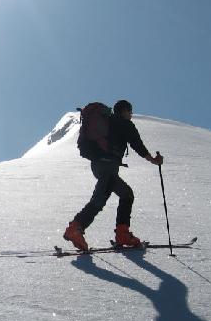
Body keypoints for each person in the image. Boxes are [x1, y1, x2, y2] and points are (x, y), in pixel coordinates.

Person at [63, 100, 163, 250]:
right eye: (130, 112)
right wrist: (154, 160)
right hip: (108, 166)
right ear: (124, 111)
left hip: (98, 165)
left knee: (126, 194)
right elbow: (138, 145)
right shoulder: (125, 124)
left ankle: (122, 233)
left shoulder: (108, 121)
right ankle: (75, 228)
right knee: (99, 199)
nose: (131, 115)